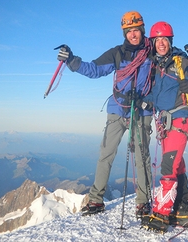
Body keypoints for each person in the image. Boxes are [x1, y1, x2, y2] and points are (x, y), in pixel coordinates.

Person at [56, 11, 154, 217]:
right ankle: (96, 200)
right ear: (124, 33)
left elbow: (169, 55)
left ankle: (143, 202)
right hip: (118, 110)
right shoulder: (117, 53)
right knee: (106, 155)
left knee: (142, 158)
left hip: (142, 110)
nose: (133, 35)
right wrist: (71, 60)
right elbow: (94, 70)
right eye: (129, 31)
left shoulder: (152, 51)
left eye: (136, 30)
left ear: (142, 30)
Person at [139, 21, 188, 233]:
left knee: (168, 167)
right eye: (157, 40)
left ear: (170, 41)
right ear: (153, 42)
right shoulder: (157, 66)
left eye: (164, 40)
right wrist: (143, 99)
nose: (161, 43)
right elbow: (158, 95)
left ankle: (161, 214)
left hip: (181, 119)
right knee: (177, 165)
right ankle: (182, 210)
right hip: (166, 122)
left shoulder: (182, 62)